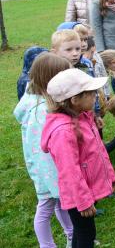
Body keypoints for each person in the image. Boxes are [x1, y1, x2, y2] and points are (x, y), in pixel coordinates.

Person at [41, 69, 115, 248]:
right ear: (74, 99)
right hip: (79, 196)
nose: (96, 96)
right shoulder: (63, 132)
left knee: (81, 232)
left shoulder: (83, 118)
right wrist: (83, 202)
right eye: (91, 93)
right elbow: (70, 172)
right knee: (86, 235)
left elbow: (99, 153)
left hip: (87, 191)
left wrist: (111, 178)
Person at [14, 53, 74, 248]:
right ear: (51, 80)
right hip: (47, 169)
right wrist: (54, 176)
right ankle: (47, 245)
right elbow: (42, 148)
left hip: (49, 168)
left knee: (60, 202)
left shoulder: (37, 100)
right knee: (47, 206)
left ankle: (71, 234)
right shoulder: (41, 111)